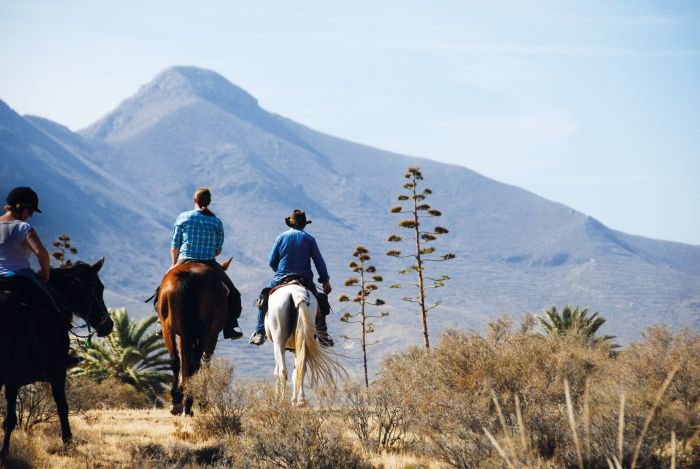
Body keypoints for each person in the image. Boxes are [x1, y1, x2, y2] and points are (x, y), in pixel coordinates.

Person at [0, 186, 81, 368]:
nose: (30, 215)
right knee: (56, 309)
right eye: (29, 210)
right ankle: (61, 355)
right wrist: (46, 273)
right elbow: (41, 254)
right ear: (20, 206)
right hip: (19, 276)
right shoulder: (23, 227)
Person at [249, 209, 334, 347]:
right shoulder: (310, 239)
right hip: (304, 279)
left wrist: (280, 272)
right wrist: (325, 281)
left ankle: (259, 332)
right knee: (320, 301)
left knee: (264, 298)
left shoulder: (281, 237)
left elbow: (271, 261)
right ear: (304, 224)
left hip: (281, 277)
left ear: (291, 223)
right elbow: (319, 262)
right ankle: (323, 334)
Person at [170, 187, 243, 339]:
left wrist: (174, 264)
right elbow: (217, 251)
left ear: (194, 200)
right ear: (209, 202)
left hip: (185, 259)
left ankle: (161, 320)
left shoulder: (183, 217)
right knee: (234, 293)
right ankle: (231, 326)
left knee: (161, 289)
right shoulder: (216, 222)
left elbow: (175, 246)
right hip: (209, 263)